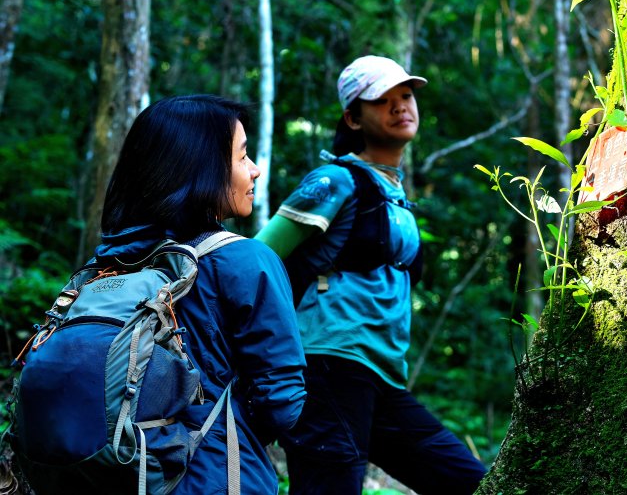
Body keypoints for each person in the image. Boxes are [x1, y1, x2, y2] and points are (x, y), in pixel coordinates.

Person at [256, 55, 487, 495]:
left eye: (406, 95)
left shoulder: (395, 193)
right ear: (353, 117)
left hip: (380, 377)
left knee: (471, 481)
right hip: (327, 367)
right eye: (382, 100)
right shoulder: (333, 181)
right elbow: (257, 259)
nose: (400, 106)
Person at [90, 95, 306, 493]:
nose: (255, 171)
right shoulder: (245, 260)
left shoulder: (105, 264)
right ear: (203, 170)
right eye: (242, 158)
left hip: (105, 472)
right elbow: (283, 404)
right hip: (212, 475)